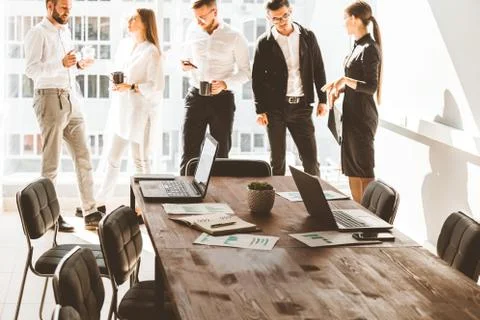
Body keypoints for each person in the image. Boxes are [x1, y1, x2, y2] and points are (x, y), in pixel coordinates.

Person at [24, 0, 103, 231]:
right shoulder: (37, 33)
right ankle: (50, 217)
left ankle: (90, 211)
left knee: (83, 156)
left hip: (71, 98)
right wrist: (60, 63)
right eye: (63, 8)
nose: (68, 12)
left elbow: (65, 67)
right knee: (52, 163)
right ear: (50, 6)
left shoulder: (65, 31)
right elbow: (31, 69)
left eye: (69, 8)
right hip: (49, 98)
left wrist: (77, 65)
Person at [96, 8, 164, 209]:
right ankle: (100, 203)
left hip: (141, 113)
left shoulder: (152, 52)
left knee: (140, 161)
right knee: (113, 158)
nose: (129, 20)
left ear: (145, 23)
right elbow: (121, 72)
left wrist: (132, 86)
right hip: (123, 111)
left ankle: (145, 209)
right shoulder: (127, 46)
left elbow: (156, 86)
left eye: (134, 18)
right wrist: (117, 83)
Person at [252, 0, 327, 176]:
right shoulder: (264, 43)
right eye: (276, 19)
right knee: (277, 162)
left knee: (310, 161)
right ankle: (277, 202)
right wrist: (260, 109)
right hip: (275, 109)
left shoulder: (308, 36)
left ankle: (314, 201)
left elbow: (318, 68)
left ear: (290, 11)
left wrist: (322, 100)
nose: (282, 21)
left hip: (302, 107)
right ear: (269, 18)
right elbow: (257, 79)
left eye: (285, 15)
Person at [321, 0, 382, 203]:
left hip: (363, 119)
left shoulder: (369, 48)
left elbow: (370, 86)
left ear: (355, 19)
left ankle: (369, 222)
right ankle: (358, 218)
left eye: (345, 18)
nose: (344, 23)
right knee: (352, 169)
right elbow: (358, 84)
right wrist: (340, 89)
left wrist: (344, 80)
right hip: (352, 117)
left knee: (363, 170)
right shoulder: (357, 47)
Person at [180, 0, 250, 175]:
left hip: (222, 100)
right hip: (195, 97)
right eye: (196, 17)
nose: (198, 21)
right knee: (189, 151)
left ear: (215, 12)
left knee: (220, 153)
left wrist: (225, 84)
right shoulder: (192, 30)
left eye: (202, 17)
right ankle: (184, 197)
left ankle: (219, 198)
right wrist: (185, 65)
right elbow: (185, 58)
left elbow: (246, 73)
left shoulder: (234, 36)